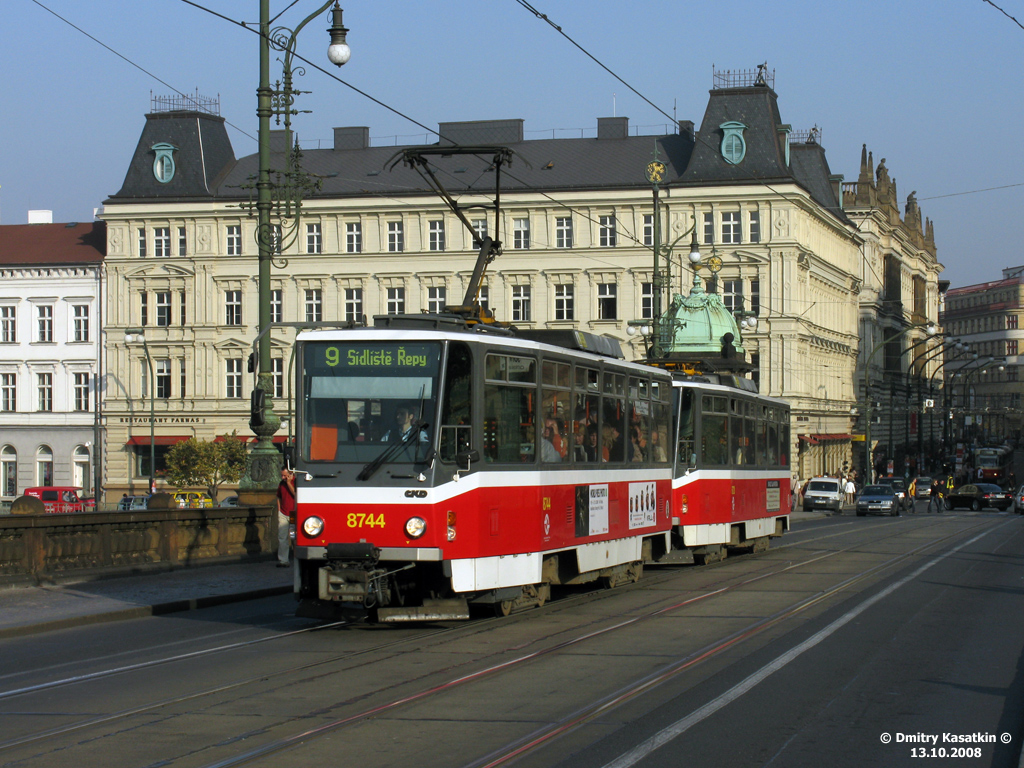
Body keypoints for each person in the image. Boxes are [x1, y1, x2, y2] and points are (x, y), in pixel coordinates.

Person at [276, 467, 296, 568]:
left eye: (285, 475)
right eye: (282, 475)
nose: (283, 477)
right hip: (283, 514)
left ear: (290, 474)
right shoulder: (281, 483)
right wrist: (279, 510)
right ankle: (283, 560)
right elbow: (278, 497)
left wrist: (289, 483)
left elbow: (296, 495)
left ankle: (296, 559)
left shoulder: (296, 482)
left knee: (293, 537)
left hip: (294, 514)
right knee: (282, 537)